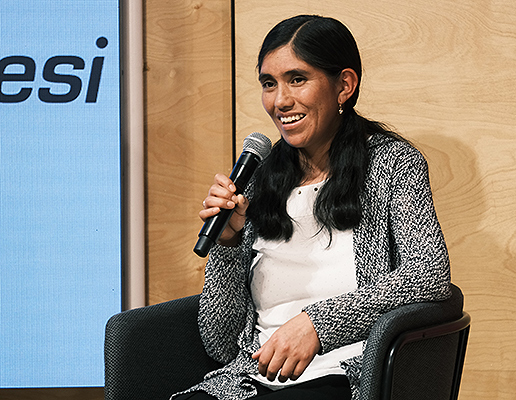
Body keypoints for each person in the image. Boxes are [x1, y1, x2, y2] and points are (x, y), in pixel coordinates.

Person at [172, 14, 451, 400]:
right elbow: (220, 342)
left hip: (342, 376)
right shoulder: (257, 179)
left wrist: (317, 325)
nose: (281, 100)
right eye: (269, 84)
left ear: (344, 85)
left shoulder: (392, 165)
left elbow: (429, 274)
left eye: (297, 79)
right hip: (248, 382)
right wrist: (228, 243)